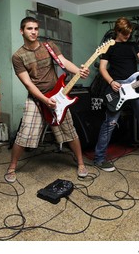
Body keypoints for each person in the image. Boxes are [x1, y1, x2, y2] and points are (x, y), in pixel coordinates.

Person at [5, 16, 90, 183]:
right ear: (22, 31)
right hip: (36, 99)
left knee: (70, 131)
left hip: (57, 96)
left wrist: (79, 72)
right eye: (29, 28)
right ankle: (12, 167)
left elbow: (64, 62)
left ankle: (80, 164)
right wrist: (44, 100)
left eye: (36, 28)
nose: (34, 32)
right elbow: (28, 84)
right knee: (24, 134)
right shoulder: (18, 56)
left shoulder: (49, 46)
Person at [93, 17, 139, 171]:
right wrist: (111, 81)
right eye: (124, 33)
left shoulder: (133, 45)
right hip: (117, 87)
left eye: (129, 33)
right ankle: (99, 159)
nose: (127, 36)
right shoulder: (109, 46)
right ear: (117, 31)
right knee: (109, 124)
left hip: (135, 88)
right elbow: (102, 68)